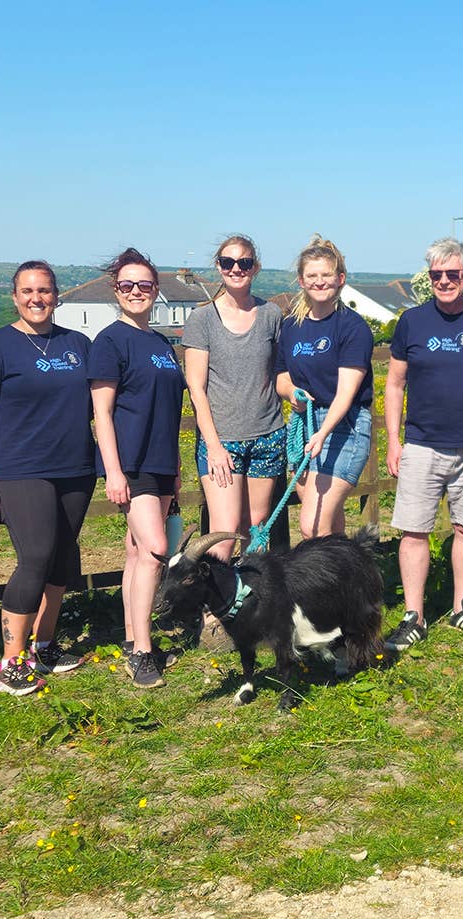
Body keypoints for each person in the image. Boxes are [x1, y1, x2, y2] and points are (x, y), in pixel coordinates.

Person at [381, 238, 463, 650]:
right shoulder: (411, 322)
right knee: (414, 530)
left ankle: (462, 608)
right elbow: (395, 383)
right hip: (421, 444)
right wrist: (393, 440)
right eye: (436, 275)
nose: (444, 281)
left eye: (452, 274)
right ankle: (414, 616)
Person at [0, 261, 95, 695]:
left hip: (76, 468)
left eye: (44, 290)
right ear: (14, 296)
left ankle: (44, 645)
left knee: (62, 560)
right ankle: (11, 661)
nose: (36, 298)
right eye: (27, 291)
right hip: (22, 469)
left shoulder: (77, 343)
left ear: (56, 295)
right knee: (36, 556)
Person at [87, 247, 185, 689]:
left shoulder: (162, 343)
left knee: (136, 553)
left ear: (156, 290)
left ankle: (130, 636)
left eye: (144, 285)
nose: (136, 292)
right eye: (127, 285)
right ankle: (144, 653)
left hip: (162, 460)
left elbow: (168, 407)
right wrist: (113, 471)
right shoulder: (110, 341)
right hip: (131, 462)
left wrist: (178, 467)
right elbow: (101, 412)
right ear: (116, 290)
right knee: (156, 551)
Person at [183, 235, 283, 561]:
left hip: (267, 435)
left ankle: (250, 608)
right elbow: (196, 387)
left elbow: (279, 372)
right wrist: (213, 446)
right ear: (219, 266)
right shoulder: (203, 319)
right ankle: (213, 612)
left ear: (255, 267)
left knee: (255, 532)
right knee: (223, 536)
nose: (236, 268)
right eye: (228, 262)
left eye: (244, 262)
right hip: (223, 441)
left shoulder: (271, 314)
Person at [273, 236, 374, 539]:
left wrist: (322, 432)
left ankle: (320, 586)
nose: (320, 282)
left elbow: (346, 393)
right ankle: (344, 585)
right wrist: (293, 393)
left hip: (343, 426)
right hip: (304, 424)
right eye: (312, 276)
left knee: (312, 526)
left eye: (326, 275)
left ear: (340, 279)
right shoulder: (291, 326)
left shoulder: (352, 327)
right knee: (329, 522)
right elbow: (281, 376)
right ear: (301, 281)